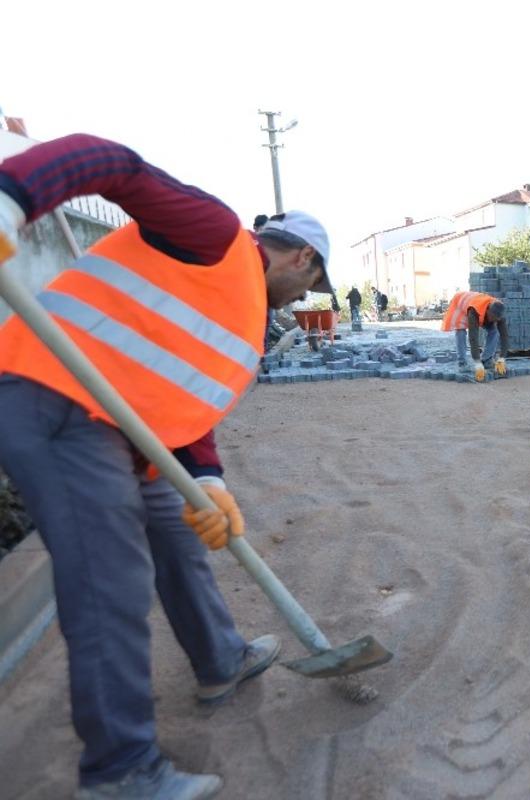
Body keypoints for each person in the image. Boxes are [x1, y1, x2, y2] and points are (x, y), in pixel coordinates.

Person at [0, 134, 336, 799]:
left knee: (178, 530)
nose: (304, 298)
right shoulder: (213, 234)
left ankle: (220, 660)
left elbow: (184, 400)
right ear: (301, 257)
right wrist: (11, 200)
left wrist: (207, 480)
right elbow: (109, 161)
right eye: (311, 283)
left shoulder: (242, 321)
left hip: (119, 429)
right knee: (109, 576)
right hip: (54, 394)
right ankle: (119, 771)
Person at [441, 290, 509, 381]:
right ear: (488, 310)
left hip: (478, 307)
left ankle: (486, 360)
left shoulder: (500, 313)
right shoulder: (474, 310)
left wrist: (502, 358)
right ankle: (462, 363)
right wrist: (477, 361)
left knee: (494, 331)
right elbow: (473, 337)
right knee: (460, 331)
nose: (493, 320)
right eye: (492, 317)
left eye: (496, 319)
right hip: (460, 304)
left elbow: (504, 336)